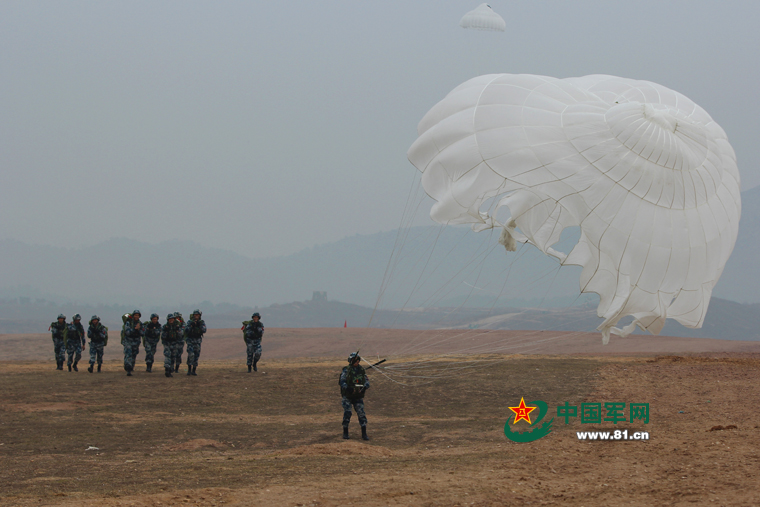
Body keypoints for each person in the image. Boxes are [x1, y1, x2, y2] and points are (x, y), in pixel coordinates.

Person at [339, 352, 370, 440]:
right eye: (354, 360)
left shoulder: (361, 370)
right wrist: (348, 388)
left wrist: (364, 388)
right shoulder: (346, 370)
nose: (356, 362)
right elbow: (342, 381)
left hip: (358, 397)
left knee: (361, 414)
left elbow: (367, 381)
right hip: (348, 397)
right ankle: (345, 432)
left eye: (357, 360)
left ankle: (364, 433)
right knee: (347, 413)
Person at [184, 309, 206, 376]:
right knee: (191, 355)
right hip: (190, 340)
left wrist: (199, 325)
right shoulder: (189, 322)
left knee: (196, 355)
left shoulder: (201, 322)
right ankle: (189, 370)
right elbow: (186, 330)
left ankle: (194, 370)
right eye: (195, 315)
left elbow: (204, 330)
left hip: (197, 341)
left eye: (198, 315)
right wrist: (192, 326)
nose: (196, 316)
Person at [122, 310, 144, 376]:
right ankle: (128, 369)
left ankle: (131, 367)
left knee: (134, 355)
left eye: (138, 315)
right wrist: (134, 329)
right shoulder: (128, 323)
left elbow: (143, 333)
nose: (136, 316)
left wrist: (139, 329)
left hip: (136, 342)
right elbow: (127, 332)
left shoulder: (140, 324)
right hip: (128, 340)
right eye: (135, 315)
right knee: (128, 353)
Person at [161, 313, 182, 377]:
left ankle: (171, 369)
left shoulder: (177, 326)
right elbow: (162, 336)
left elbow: (181, 335)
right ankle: (167, 369)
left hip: (174, 343)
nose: (171, 320)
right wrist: (166, 331)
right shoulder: (165, 327)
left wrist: (177, 331)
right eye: (170, 319)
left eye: (172, 319)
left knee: (173, 357)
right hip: (167, 343)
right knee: (167, 356)